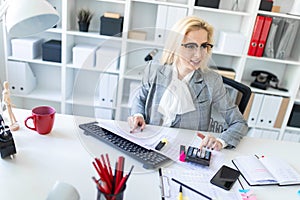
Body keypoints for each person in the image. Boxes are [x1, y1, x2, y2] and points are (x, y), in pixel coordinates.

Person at [128, 16, 248, 150]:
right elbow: (140, 98)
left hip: (187, 150)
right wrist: (138, 115)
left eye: (203, 46)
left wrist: (220, 141)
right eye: (190, 46)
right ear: (175, 46)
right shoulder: (154, 69)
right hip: (150, 143)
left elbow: (239, 123)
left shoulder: (212, 81)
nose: (199, 55)